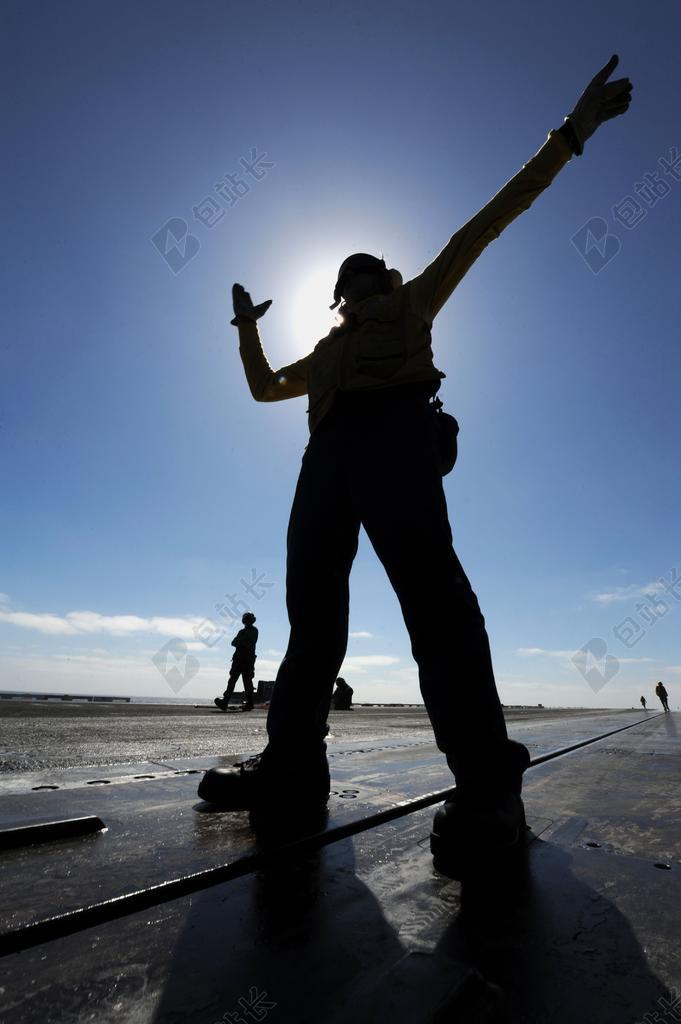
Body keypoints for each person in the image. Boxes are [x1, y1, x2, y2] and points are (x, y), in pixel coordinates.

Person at [199, 56, 632, 875]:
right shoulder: (323, 354)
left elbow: (488, 220)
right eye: (346, 282)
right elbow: (262, 390)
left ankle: (486, 785)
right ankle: (291, 768)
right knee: (311, 617)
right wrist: (245, 329)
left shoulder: (414, 301)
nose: (358, 286)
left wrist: (569, 136)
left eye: (367, 275)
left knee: (432, 599)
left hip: (396, 439)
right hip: (324, 458)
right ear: (334, 298)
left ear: (386, 281)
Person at [214, 612, 258, 712]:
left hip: (247, 660)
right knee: (232, 681)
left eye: (248, 619)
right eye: (246, 619)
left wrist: (241, 642)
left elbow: (248, 643)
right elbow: (233, 642)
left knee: (247, 682)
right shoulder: (241, 632)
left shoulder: (254, 630)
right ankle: (225, 701)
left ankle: (250, 703)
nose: (247, 621)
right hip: (238, 660)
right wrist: (241, 642)